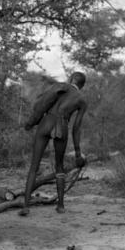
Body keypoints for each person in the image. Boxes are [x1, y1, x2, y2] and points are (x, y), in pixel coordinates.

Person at [19, 71, 87, 216]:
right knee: (59, 166)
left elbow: (43, 104)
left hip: (46, 122)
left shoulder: (60, 86)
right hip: (62, 127)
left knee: (34, 166)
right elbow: (76, 128)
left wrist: (31, 123)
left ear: (71, 79)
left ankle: (25, 206)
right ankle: (61, 206)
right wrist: (77, 153)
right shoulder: (82, 100)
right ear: (82, 85)